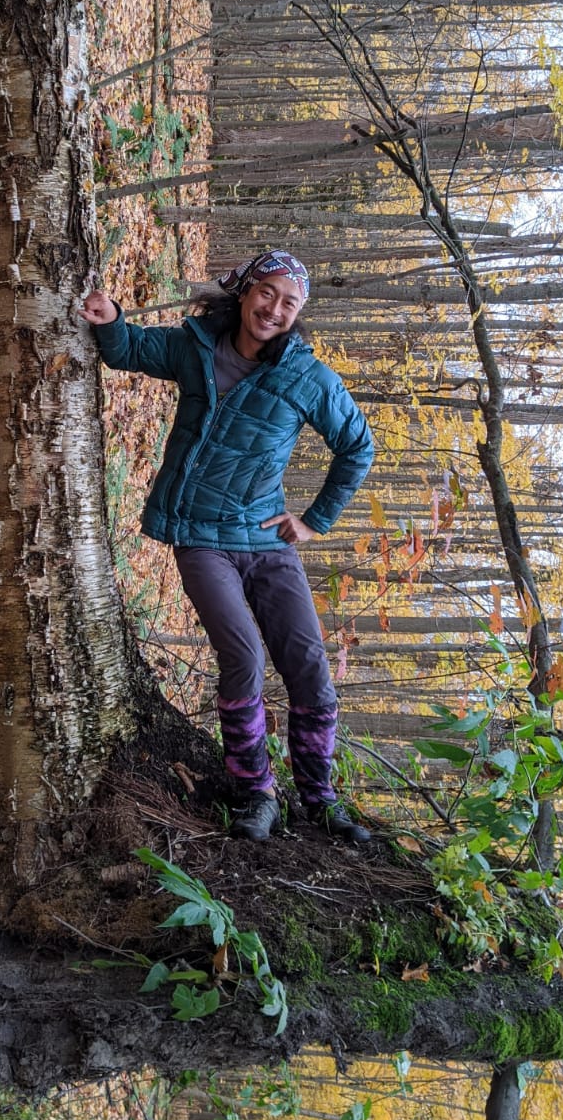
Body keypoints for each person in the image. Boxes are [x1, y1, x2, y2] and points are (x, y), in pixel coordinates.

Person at [81, 251, 375, 843]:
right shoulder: (196, 347)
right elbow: (130, 350)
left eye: (289, 302)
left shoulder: (307, 377)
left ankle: (319, 800)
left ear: (298, 313)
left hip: (266, 539)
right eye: (267, 293)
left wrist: (314, 521)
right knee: (244, 657)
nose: (274, 309)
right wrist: (110, 320)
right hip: (199, 535)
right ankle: (256, 793)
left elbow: (357, 447)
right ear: (244, 292)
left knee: (309, 665)